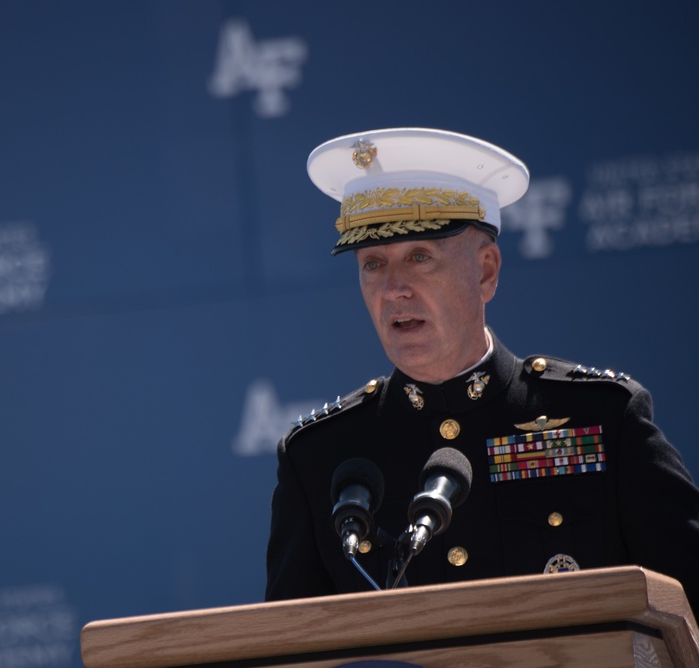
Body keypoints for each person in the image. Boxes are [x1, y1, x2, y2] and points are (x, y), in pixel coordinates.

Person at [265, 128, 699, 613]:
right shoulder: (320, 460)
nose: (393, 289)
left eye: (420, 257)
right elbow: (289, 647)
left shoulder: (599, 419)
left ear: (486, 271)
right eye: (372, 264)